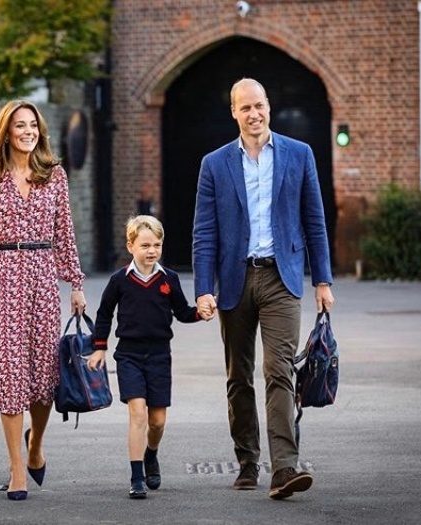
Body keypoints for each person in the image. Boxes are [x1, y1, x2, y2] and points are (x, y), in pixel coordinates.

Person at [192, 78, 335, 500]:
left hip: (281, 277)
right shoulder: (214, 164)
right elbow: (204, 232)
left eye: (259, 106)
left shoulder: (299, 154)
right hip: (234, 281)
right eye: (245, 108)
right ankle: (248, 460)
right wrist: (203, 288)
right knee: (239, 378)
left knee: (280, 372)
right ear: (233, 113)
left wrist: (322, 280)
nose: (254, 114)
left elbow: (315, 220)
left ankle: (285, 468)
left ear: (268, 106)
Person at [0, 100, 87, 501]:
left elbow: (65, 233)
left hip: (45, 275)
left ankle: (35, 446)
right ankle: (16, 468)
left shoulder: (55, 175)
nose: (28, 131)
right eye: (20, 126)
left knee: (44, 377)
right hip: (8, 276)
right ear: (6, 133)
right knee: (11, 373)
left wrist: (75, 283)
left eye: (33, 125)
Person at [88, 215, 202, 500]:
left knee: (158, 421)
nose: (151, 251)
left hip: (160, 355)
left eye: (157, 245)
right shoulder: (119, 281)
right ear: (130, 246)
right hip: (129, 354)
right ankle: (136, 476)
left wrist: (201, 312)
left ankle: (151, 454)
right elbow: (104, 314)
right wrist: (99, 346)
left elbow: (183, 312)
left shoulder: (169, 279)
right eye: (145, 245)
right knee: (137, 412)